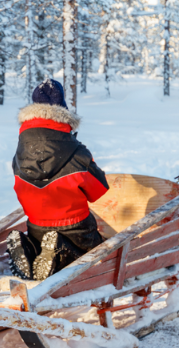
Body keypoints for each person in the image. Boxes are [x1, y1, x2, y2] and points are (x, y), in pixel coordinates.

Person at [7, 80, 110, 282]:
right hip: (77, 229)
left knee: (42, 240)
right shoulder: (77, 152)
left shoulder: (20, 154)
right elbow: (99, 191)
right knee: (94, 251)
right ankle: (59, 251)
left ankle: (31, 249)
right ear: (63, 111)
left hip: (36, 227)